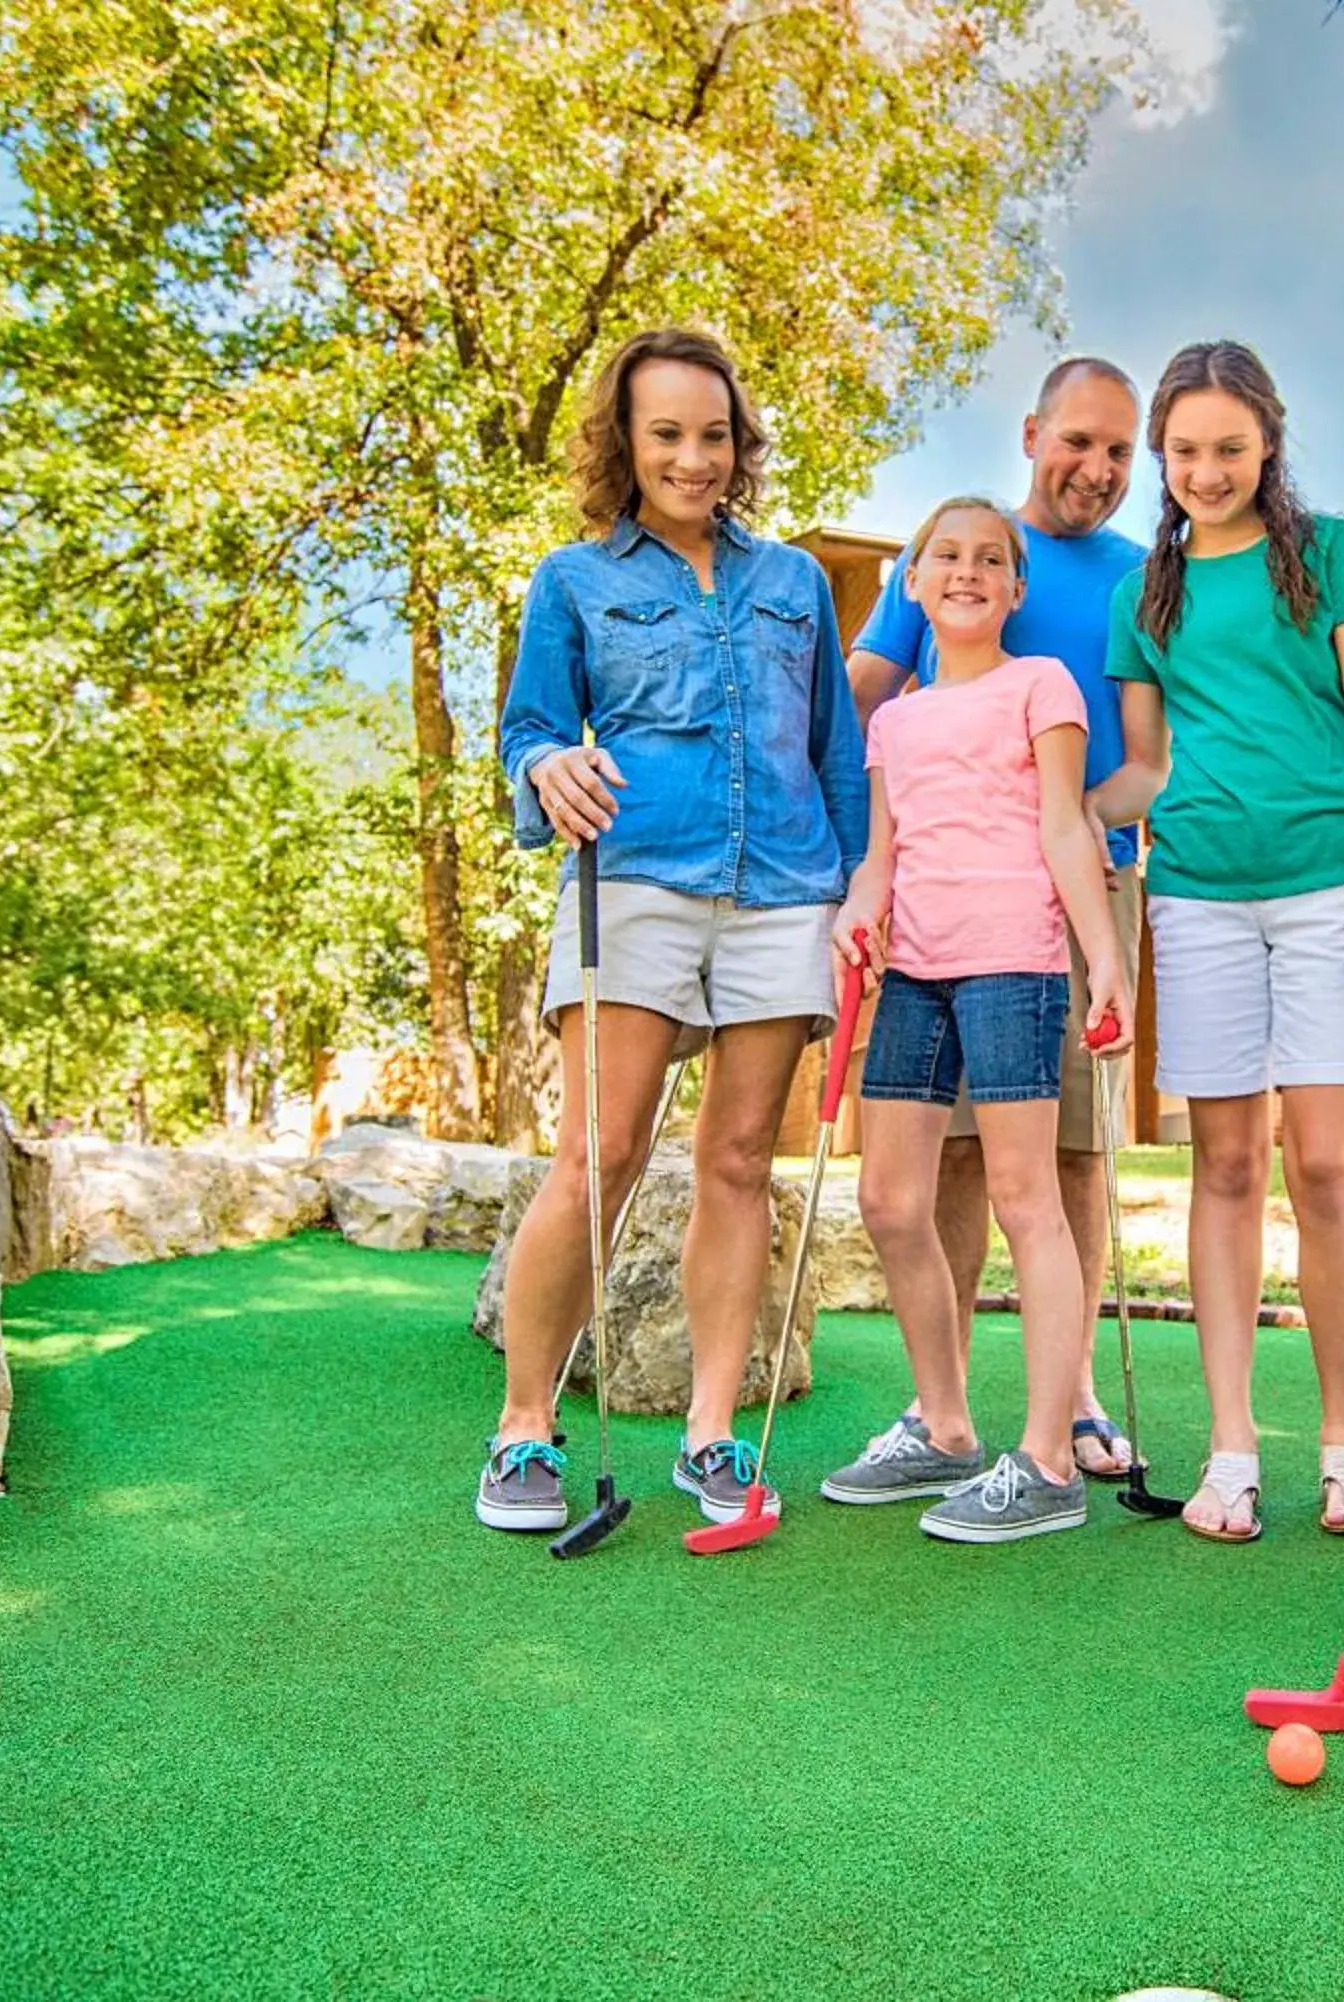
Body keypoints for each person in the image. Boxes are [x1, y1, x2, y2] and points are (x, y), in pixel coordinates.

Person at [478, 326, 867, 1536]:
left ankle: (711, 1431)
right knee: (599, 1154)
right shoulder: (575, 580)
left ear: (740, 442)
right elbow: (528, 733)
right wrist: (546, 770)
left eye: (714, 434)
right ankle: (524, 1429)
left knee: (740, 1159)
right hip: (635, 877)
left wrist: (858, 891)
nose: (695, 458)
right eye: (667, 435)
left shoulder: (796, 582)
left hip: (784, 891)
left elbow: (833, 756)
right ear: (627, 443)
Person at [1088, 340, 1344, 1545]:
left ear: (1267, 443)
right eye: (1183, 452)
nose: (1205, 471)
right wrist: (1068, 812)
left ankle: (1343, 1443)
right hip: (1201, 897)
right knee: (1225, 1167)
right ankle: (1231, 1451)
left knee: (1325, 1166)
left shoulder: (1327, 555)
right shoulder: (1145, 595)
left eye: (1229, 448)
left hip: (1331, 887)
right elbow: (1146, 766)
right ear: (1161, 458)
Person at [843, 357, 1151, 1481]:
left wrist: (1059, 846)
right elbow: (862, 705)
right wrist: (854, 880)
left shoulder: (1132, 579)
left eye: (1123, 452)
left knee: (1058, 1164)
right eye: (1081, 442)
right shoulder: (937, 584)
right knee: (939, 1169)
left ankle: (1061, 1415)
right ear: (1033, 433)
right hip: (926, 911)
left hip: (1052, 897)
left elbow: (1135, 763)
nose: (1100, 467)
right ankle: (949, 1408)